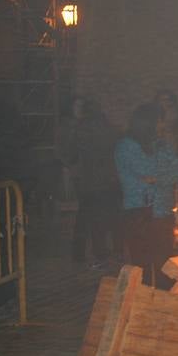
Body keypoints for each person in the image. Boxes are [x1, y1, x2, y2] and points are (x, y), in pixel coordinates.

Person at [114, 103, 178, 287]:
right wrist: (162, 174)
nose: (163, 125)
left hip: (163, 211)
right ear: (148, 122)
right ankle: (143, 300)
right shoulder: (127, 146)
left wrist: (158, 177)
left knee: (165, 265)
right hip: (140, 211)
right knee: (143, 266)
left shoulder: (162, 145)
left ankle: (165, 300)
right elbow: (149, 171)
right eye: (160, 120)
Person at [66, 97, 121, 268]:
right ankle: (108, 253)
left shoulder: (80, 129)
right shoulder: (108, 128)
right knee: (107, 218)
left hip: (88, 180)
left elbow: (71, 155)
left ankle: (84, 254)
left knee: (86, 217)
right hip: (108, 179)